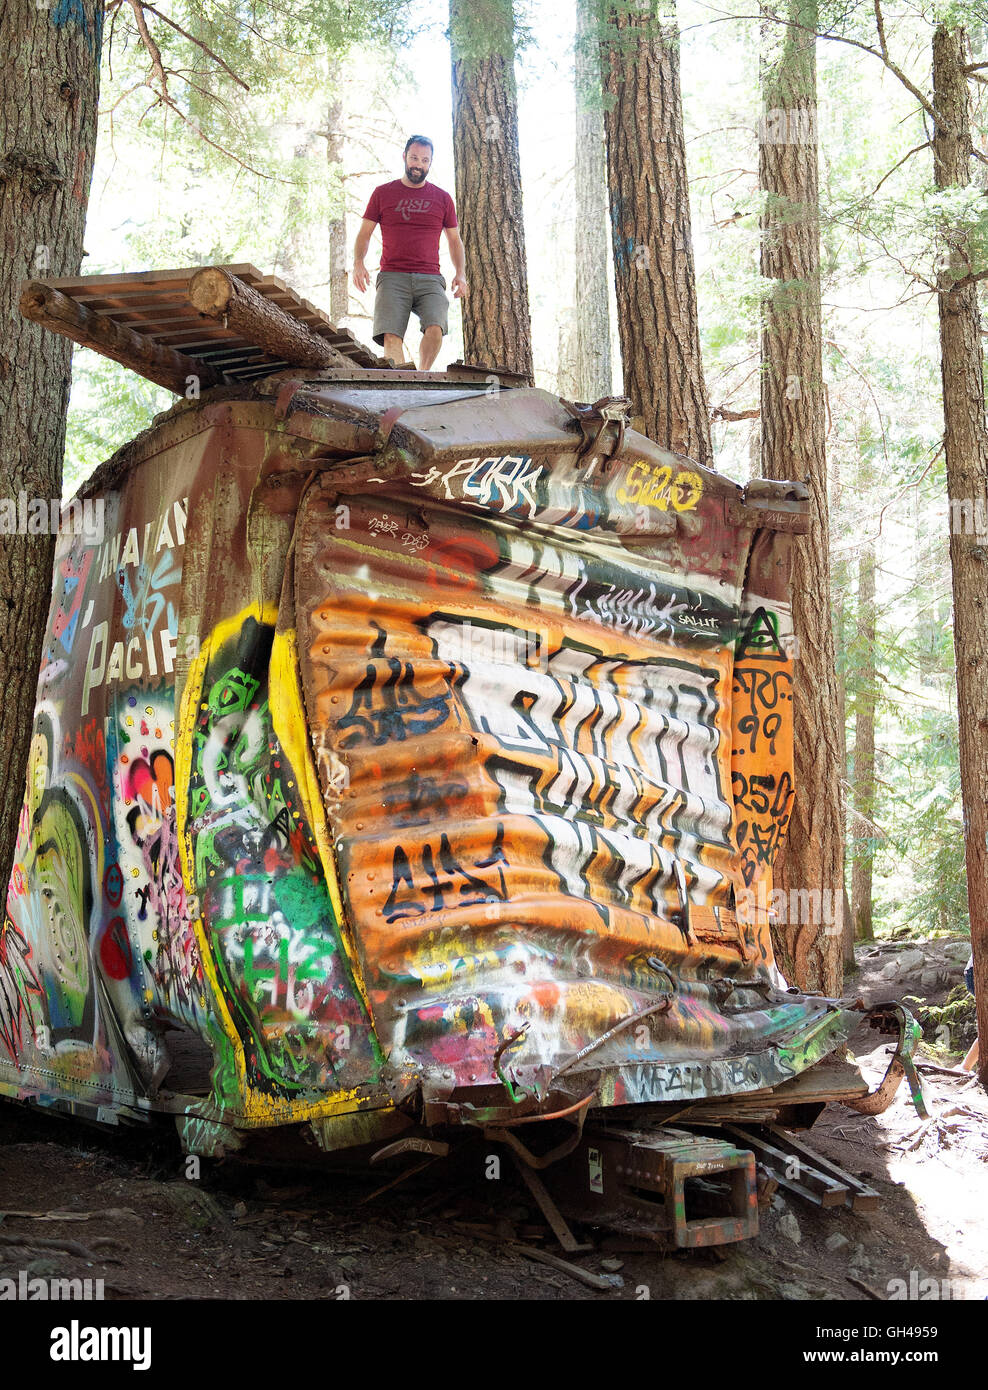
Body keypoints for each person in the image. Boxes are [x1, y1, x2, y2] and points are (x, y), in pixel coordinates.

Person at [352, 135, 467, 371]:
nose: (419, 164)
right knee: (391, 336)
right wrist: (358, 263)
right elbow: (364, 233)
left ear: (430, 163)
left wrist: (461, 273)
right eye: (414, 158)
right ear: (405, 157)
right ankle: (403, 381)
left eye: (425, 160)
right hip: (392, 276)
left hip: (430, 278)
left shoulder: (442, 199)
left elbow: (454, 240)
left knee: (436, 328)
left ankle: (422, 377)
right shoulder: (383, 193)